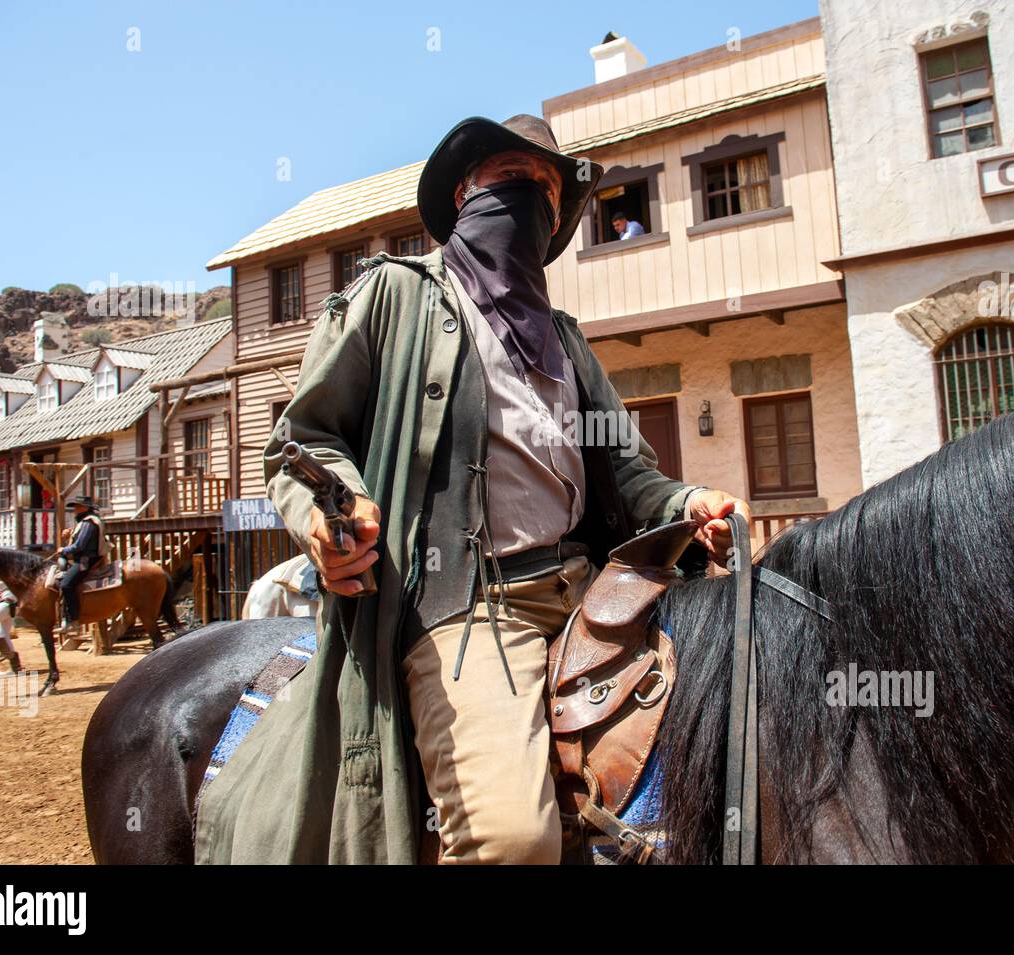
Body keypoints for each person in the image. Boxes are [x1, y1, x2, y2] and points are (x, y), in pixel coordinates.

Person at [194, 113, 750, 866]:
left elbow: (629, 472)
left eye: (549, 192)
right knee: (514, 841)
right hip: (473, 606)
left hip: (596, 597)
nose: (534, 200)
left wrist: (690, 505)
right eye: (515, 180)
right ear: (464, 194)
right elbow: (305, 440)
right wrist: (334, 512)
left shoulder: (567, 339)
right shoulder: (396, 297)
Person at [55, 495, 109, 632]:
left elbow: (80, 545)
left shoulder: (88, 523)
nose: (75, 509)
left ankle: (74, 619)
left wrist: (64, 549)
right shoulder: (85, 522)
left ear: (86, 508)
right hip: (85, 558)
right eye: (75, 507)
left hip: (87, 560)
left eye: (78, 506)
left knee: (66, 585)